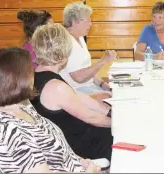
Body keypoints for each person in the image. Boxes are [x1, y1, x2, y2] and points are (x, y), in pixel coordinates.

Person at [0, 47, 100, 173]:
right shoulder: (5, 130)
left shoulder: (20, 108)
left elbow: (53, 148)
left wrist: (78, 160)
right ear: (21, 80)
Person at [31, 23, 113, 161]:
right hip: (76, 146)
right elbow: (91, 118)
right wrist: (117, 123)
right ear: (64, 51)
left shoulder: (37, 74)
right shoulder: (55, 86)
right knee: (121, 136)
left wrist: (105, 108)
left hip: (65, 139)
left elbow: (77, 97)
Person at [59, 1, 117, 96]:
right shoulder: (67, 42)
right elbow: (79, 77)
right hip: (77, 92)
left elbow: (88, 72)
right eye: (88, 21)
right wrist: (103, 61)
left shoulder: (80, 38)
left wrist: (103, 84)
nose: (90, 24)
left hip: (88, 87)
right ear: (74, 22)